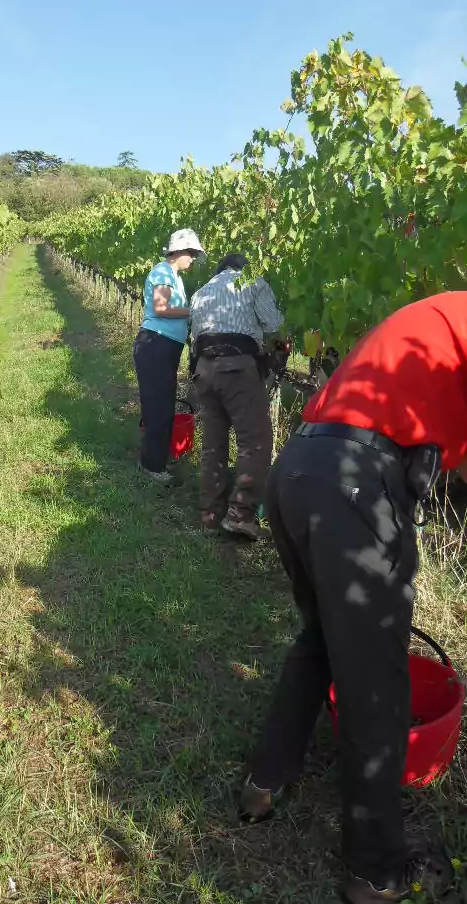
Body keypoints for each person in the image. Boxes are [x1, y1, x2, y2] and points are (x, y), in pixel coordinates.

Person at [240, 292, 467, 903]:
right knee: (375, 680)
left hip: (300, 468)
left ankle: (265, 782)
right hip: (355, 483)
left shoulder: (435, 319)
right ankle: (375, 871)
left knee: (320, 638)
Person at [189, 253, 284, 539]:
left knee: (213, 445)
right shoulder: (253, 281)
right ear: (243, 267)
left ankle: (209, 516)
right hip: (236, 368)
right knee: (254, 442)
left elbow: (193, 337)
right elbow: (274, 324)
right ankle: (240, 515)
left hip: (204, 369)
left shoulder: (201, 292)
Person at [133, 228, 205, 483]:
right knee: (158, 405)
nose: (193, 259)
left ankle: (157, 459)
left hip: (163, 346)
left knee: (163, 403)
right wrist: (193, 311)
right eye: (192, 253)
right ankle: (152, 466)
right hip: (155, 344)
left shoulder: (173, 275)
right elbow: (162, 309)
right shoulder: (163, 271)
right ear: (179, 251)